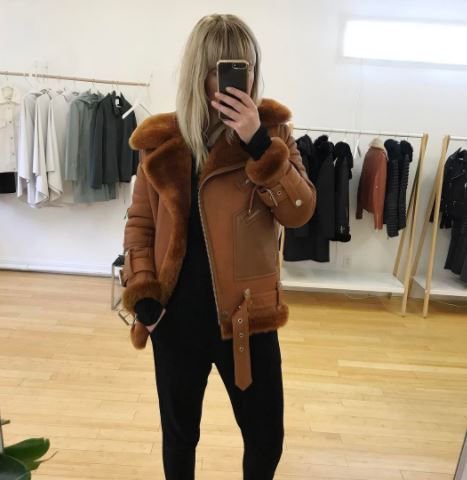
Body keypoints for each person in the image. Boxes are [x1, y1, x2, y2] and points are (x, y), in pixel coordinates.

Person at [121, 13, 317, 480]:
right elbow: (141, 223)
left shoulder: (273, 134)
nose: (236, 80)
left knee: (266, 439)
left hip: (249, 319)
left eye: (245, 67)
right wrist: (145, 295)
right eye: (222, 68)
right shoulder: (162, 142)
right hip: (176, 320)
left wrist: (258, 145)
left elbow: (300, 210)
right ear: (199, 73)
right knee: (179, 438)